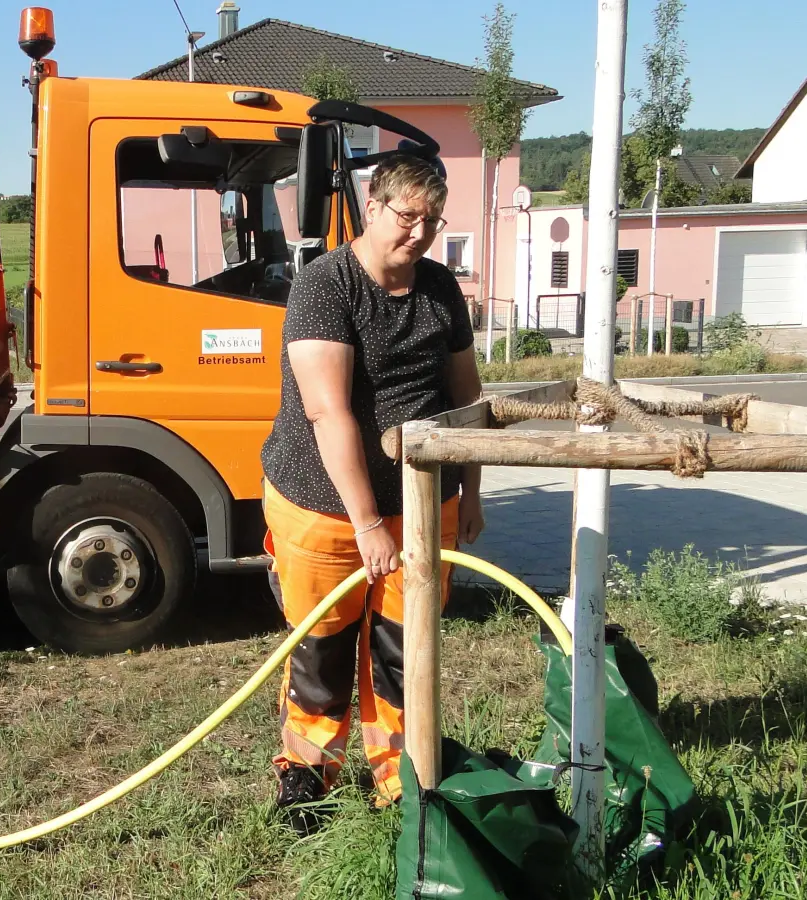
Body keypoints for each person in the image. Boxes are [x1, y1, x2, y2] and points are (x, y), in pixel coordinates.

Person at [259, 152, 484, 832]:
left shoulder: (440, 290)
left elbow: (466, 396)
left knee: (403, 648)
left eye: (433, 220)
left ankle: (400, 778)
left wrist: (470, 491)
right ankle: (307, 779)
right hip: (322, 508)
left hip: (422, 507)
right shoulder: (326, 286)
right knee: (323, 650)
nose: (418, 232)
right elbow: (329, 412)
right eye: (407, 215)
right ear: (372, 206)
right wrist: (366, 523)